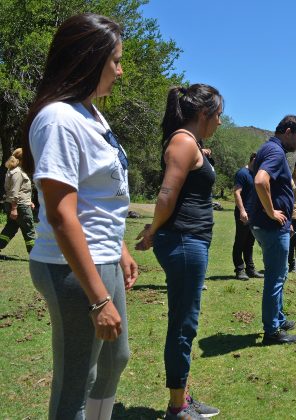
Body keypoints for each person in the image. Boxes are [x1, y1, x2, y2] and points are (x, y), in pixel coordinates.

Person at [22, 13, 137, 419]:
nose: (120, 71)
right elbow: (61, 214)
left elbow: (99, 196)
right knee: (76, 379)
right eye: (116, 61)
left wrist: (119, 245)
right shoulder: (59, 119)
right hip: (71, 266)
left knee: (114, 359)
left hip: (103, 255)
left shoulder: (92, 114)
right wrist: (98, 298)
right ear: (90, 59)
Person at [135, 84, 223, 420]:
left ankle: (182, 395)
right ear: (204, 114)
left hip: (190, 241)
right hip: (185, 241)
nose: (218, 122)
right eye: (217, 116)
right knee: (183, 325)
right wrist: (153, 230)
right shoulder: (183, 141)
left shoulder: (191, 142)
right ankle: (177, 407)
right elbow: (166, 195)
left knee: (185, 321)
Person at [248, 115, 296, 345]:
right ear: (289, 131)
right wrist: (273, 213)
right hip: (270, 226)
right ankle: (272, 332)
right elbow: (261, 181)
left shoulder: (268, 148)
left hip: (271, 225)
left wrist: (284, 220)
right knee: (275, 278)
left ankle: (279, 319)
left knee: (280, 274)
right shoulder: (275, 152)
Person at [232, 153, 262, 279]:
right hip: (244, 213)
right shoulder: (242, 173)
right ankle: (239, 270)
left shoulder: (256, 174)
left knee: (250, 243)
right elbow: (237, 193)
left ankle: (250, 269)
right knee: (240, 241)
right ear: (253, 159)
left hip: (254, 215)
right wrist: (242, 211)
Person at [1, 148, 36, 255]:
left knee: (10, 229)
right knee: (29, 230)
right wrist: (14, 209)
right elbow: (14, 192)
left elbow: (20, 190)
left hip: (18, 203)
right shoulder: (18, 173)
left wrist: (29, 201)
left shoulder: (13, 170)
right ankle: (35, 255)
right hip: (19, 206)